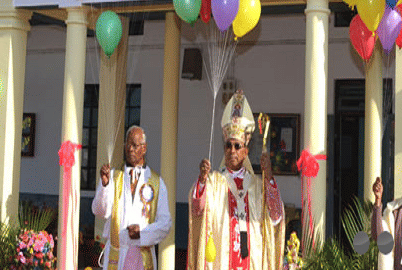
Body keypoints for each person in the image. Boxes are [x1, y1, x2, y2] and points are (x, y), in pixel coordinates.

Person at [187, 91, 285, 270]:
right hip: (221, 261)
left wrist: (269, 176)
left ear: (245, 151)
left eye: (237, 146)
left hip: (252, 261)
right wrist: (201, 181)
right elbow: (197, 211)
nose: (232, 150)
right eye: (228, 145)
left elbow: (276, 216)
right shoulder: (214, 182)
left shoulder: (257, 185)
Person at [93, 126, 173, 270]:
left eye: (135, 145)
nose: (130, 149)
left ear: (144, 148)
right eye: (127, 144)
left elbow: (165, 223)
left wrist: (141, 232)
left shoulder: (156, 182)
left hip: (143, 257)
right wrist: (104, 186)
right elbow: (100, 211)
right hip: (117, 255)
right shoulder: (113, 177)